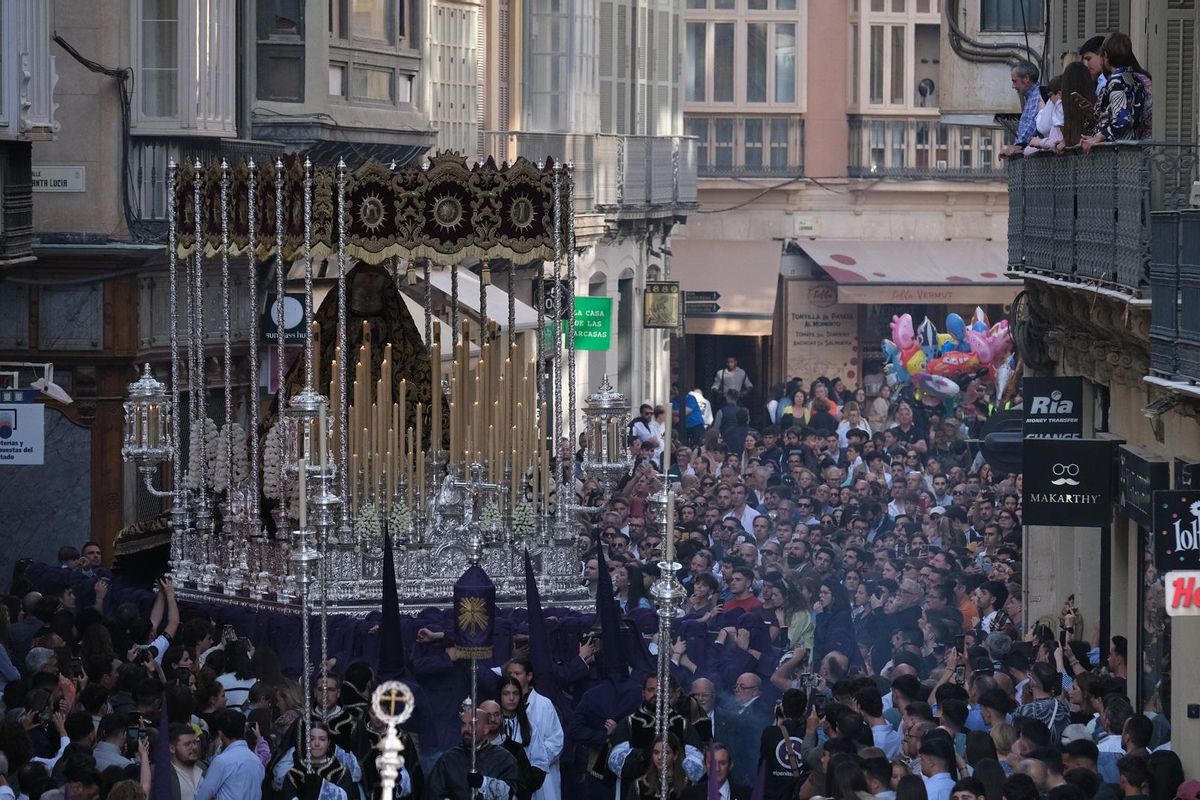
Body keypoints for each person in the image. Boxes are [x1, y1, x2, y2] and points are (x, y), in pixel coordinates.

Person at [425, 703, 523, 800]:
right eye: (464, 724)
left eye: (472, 724)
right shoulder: (448, 759)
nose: (466, 729)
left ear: (486, 728)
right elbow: (433, 793)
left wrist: (484, 783)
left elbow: (515, 794)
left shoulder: (504, 759)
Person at [1082, 32, 1149, 148]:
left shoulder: (1116, 81)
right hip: (1131, 144)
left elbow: (1121, 119)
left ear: (1106, 56)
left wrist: (1098, 138)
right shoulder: (1134, 78)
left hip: (1114, 150)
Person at [195, 708, 266, 800]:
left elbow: (202, 796)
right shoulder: (256, 760)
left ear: (220, 734)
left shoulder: (222, 760)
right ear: (244, 730)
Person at [681, 744, 750, 800]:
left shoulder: (747, 795)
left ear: (730, 765)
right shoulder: (689, 795)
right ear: (704, 765)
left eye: (722, 763)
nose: (717, 768)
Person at [1003, 61, 1041, 155]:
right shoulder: (1031, 96)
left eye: (1015, 81)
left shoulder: (1036, 96)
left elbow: (1031, 125)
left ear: (1026, 78)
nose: (1013, 86)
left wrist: (1018, 145)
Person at [168, 722, 206, 800]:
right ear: (172, 748)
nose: (195, 747)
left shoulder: (204, 768)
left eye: (195, 742)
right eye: (188, 744)